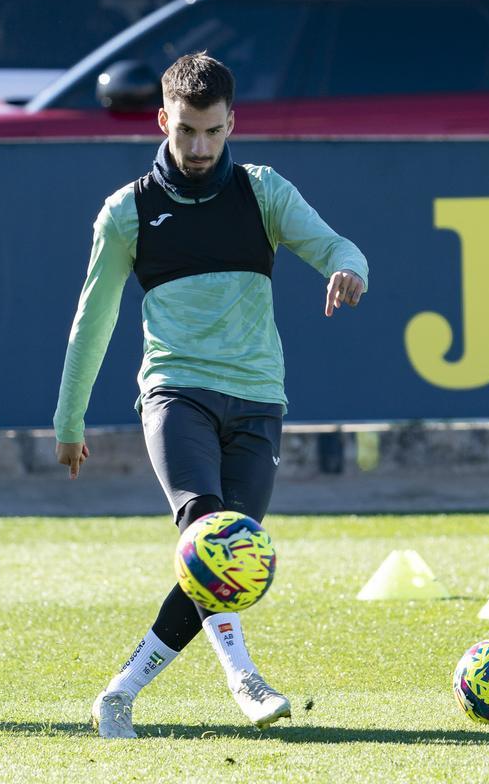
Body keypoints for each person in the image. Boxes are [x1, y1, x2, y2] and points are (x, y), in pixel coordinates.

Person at [53, 52, 369, 737]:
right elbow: (93, 318)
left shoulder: (263, 193)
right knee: (206, 531)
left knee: (228, 568)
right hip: (175, 394)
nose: (199, 148)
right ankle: (244, 679)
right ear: (163, 120)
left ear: (233, 124)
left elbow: (339, 246)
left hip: (258, 400)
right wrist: (69, 417)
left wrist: (349, 270)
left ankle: (119, 693)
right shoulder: (127, 212)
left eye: (213, 132)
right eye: (186, 131)